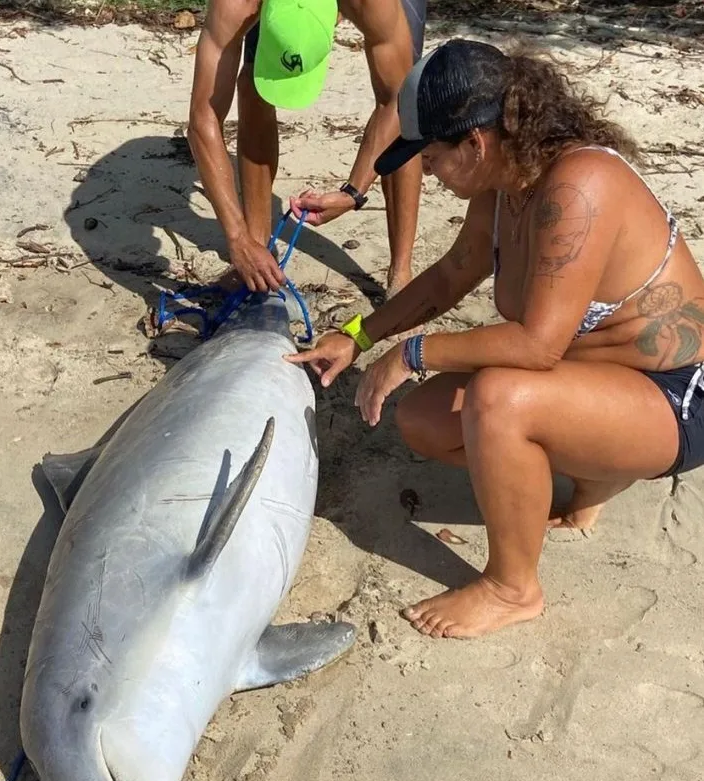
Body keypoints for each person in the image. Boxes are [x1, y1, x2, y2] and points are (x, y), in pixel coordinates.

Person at [285, 37, 704, 639]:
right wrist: (357, 335)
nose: (424, 169)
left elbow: (537, 346)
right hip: (600, 385)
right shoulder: (507, 183)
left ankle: (513, 588)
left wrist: (412, 352)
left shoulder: (579, 184)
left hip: (676, 397)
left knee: (498, 399)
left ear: (474, 143)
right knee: (425, 419)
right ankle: (596, 475)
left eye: (428, 155)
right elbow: (455, 273)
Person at [187, 0, 427, 299]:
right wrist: (238, 237)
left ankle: (401, 272)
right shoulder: (236, 5)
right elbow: (202, 118)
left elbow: (397, 99)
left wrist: (353, 192)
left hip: (380, 12)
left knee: (408, 96)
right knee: (252, 84)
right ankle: (258, 247)